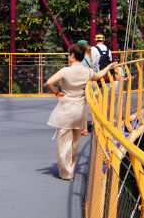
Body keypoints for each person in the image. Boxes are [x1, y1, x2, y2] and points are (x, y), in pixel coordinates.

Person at [45, 43, 115, 181]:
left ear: (72, 56)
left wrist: (58, 93)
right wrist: (108, 67)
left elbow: (49, 82)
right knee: (75, 141)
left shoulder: (65, 71)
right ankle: (71, 167)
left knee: (63, 141)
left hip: (66, 108)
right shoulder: (87, 72)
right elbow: (99, 76)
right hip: (80, 109)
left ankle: (67, 173)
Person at [77, 39, 94, 136]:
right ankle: (93, 124)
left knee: (83, 107)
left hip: (84, 83)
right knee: (92, 105)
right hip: (92, 83)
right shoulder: (93, 57)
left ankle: (84, 128)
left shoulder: (81, 59)